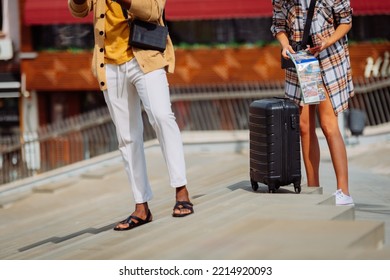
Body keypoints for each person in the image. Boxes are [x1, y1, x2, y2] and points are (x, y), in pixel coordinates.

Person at [68, 0, 194, 231]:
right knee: (127, 137)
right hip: (110, 64)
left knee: (161, 117)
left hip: (145, 54)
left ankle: (181, 191)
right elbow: (79, 10)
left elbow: (153, 10)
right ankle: (141, 206)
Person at [271, 0, 355, 205]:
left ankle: (343, 191)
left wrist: (328, 41)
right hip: (301, 62)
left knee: (328, 125)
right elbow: (278, 25)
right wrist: (285, 45)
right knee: (304, 127)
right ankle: (313, 187)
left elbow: (346, 21)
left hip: (328, 58)